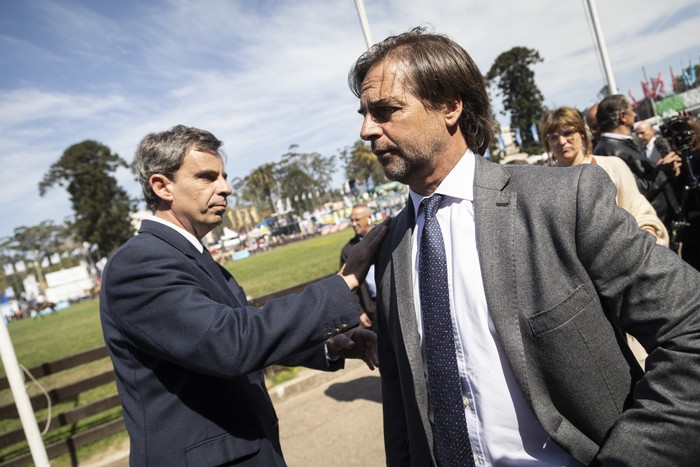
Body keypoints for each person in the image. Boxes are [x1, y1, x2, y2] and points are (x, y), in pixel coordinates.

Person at [349, 27, 700, 466]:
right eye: (363, 112)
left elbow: (690, 329)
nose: (366, 130)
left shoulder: (562, 202)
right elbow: (401, 410)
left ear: (450, 106)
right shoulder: (389, 247)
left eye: (385, 110)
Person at [99, 125, 388, 465]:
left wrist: (327, 346)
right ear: (163, 186)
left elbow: (247, 334)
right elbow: (229, 344)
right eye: (208, 177)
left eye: (224, 176)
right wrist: (343, 283)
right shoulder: (139, 264)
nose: (226, 188)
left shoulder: (189, 257)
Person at [540, 106, 668, 246]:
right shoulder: (546, 184)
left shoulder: (613, 166)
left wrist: (648, 234)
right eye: (553, 137)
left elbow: (640, 210)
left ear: (581, 133)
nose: (562, 141)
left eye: (568, 132)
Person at [594, 94, 681, 226]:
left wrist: (660, 167)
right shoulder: (610, 150)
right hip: (652, 227)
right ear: (622, 116)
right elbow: (637, 190)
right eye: (632, 110)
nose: (635, 114)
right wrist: (665, 169)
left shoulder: (617, 145)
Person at [340, 204, 377, 329]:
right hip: (372, 308)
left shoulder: (387, 235)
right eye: (351, 220)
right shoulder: (348, 250)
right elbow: (347, 286)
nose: (353, 224)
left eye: (357, 220)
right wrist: (360, 312)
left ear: (369, 218)